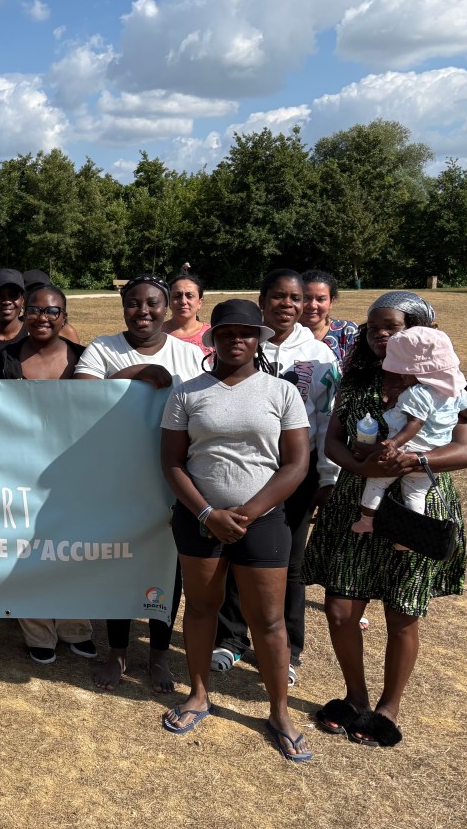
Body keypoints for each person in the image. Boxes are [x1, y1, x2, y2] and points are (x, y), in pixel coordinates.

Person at [303, 292, 467, 748]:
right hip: (356, 502)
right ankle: (355, 697)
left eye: (394, 327)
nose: (382, 335)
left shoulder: (446, 384)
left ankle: (388, 707)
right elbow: (334, 443)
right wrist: (366, 469)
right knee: (341, 610)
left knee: (403, 612)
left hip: (416, 505)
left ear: (420, 334)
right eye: (374, 327)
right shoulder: (356, 381)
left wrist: (413, 459)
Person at [159, 299, 313, 761]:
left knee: (268, 620)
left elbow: (297, 463)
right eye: (227, 333)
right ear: (215, 338)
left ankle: (279, 711)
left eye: (246, 333)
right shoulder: (187, 393)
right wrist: (209, 514)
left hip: (263, 521)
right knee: (202, 610)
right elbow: (172, 462)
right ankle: (199, 694)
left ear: (258, 338)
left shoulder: (281, 392)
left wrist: (246, 513)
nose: (236, 340)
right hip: (200, 520)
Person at [74, 274, 204, 694]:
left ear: (166, 308)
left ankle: (160, 655)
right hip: (115, 479)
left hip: (173, 478)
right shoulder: (103, 348)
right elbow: (80, 398)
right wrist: (138, 372)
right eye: (133, 303)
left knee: (169, 567)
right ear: (123, 306)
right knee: (120, 562)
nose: (143, 311)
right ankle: (116, 651)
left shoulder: (188, 355)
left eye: (152, 303)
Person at [211, 269, 340, 686]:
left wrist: (326, 477)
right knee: (234, 552)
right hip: (248, 470)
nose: (288, 304)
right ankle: (230, 639)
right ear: (263, 301)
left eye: (296, 298)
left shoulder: (320, 355)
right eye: (279, 297)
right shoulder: (246, 342)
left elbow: (325, 421)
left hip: (297, 473)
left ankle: (288, 647)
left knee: (289, 562)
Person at [0, 283, 94, 662]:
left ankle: (76, 626)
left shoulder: (85, 358)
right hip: (20, 473)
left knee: (73, 551)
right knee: (26, 553)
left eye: (52, 311)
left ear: (64, 317)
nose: (42, 317)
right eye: (35, 310)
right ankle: (38, 632)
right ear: (24, 314)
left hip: (75, 471)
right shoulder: (6, 359)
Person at [351, 328, 467, 540]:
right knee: (415, 496)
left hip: (405, 452)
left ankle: (366, 520)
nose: (401, 377)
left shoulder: (416, 393)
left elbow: (414, 423)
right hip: (432, 457)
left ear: (419, 372)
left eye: (405, 373)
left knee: (377, 482)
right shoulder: (455, 391)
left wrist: (393, 443)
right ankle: (409, 537)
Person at [302, 269, 359, 364]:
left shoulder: (347, 332)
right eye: (306, 298)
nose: (312, 305)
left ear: (331, 302)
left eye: (320, 299)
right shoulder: (283, 333)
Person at [21, 270, 81, 343]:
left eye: (41, 288)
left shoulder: (65, 331)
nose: (36, 294)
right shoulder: (15, 328)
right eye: (30, 290)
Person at [163, 271, 212, 355]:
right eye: (177, 296)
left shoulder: (212, 334)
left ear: (200, 302)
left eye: (190, 296)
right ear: (169, 301)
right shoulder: (156, 334)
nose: (183, 301)